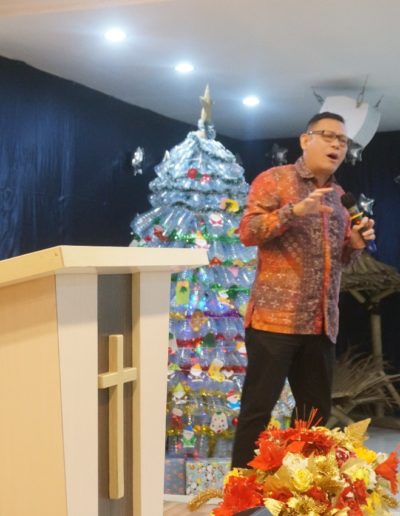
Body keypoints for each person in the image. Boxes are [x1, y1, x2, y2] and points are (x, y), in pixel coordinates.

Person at [231, 112, 376, 468]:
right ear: (305, 139)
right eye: (328, 136)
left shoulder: (340, 197)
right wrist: (294, 211)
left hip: (320, 323)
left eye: (343, 141)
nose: (336, 145)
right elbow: (247, 231)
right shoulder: (274, 180)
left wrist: (355, 244)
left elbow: (340, 262)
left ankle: (301, 488)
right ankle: (241, 493)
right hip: (274, 321)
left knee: (314, 416)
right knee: (257, 410)